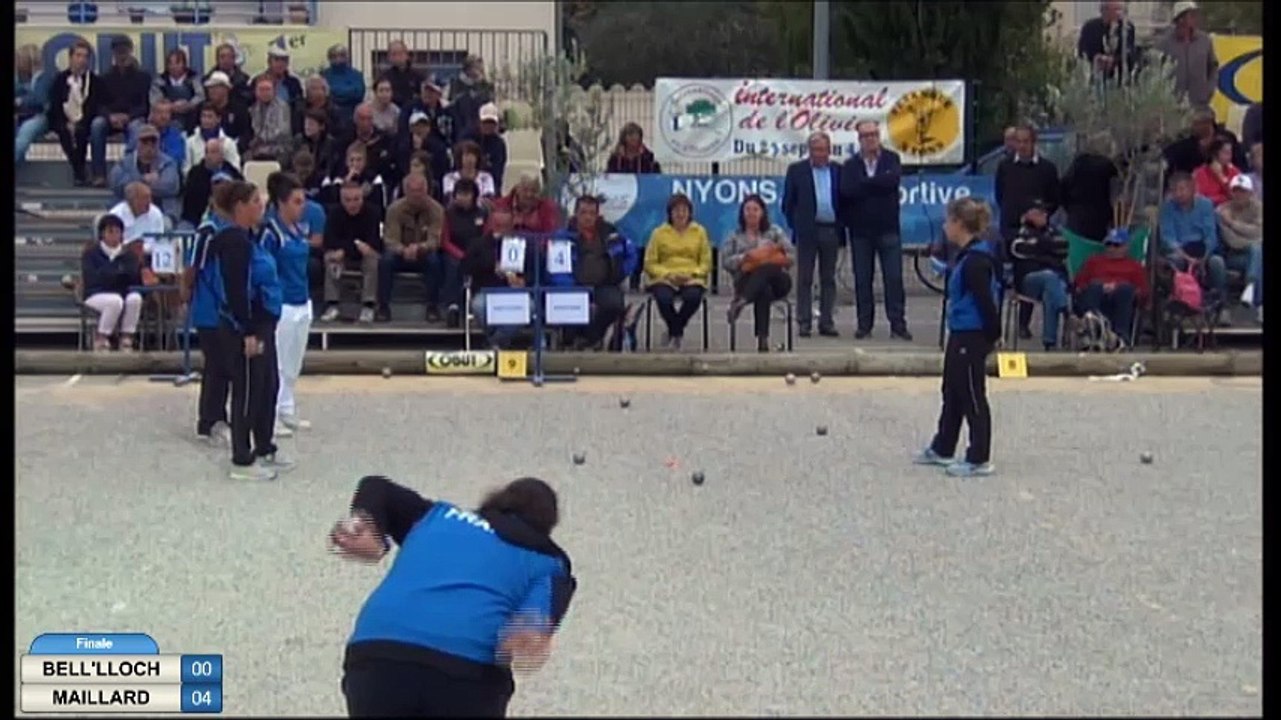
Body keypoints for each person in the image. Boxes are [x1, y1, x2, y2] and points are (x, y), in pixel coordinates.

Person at [331, 475, 576, 718]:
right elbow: (533, 624)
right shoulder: (549, 561)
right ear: (546, 527)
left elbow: (376, 486)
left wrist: (367, 525)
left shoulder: (438, 517)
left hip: (377, 658)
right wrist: (528, 638)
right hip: (464, 673)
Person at [194, 180, 290, 481]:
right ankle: (241, 458)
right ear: (240, 207)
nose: (261, 208)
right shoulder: (233, 241)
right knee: (247, 390)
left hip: (265, 322)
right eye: (255, 203)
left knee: (268, 385)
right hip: (245, 325)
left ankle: (264, 445)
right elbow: (235, 288)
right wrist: (247, 329)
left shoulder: (252, 238)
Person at [913, 197, 1002, 478]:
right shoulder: (965, 256)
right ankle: (943, 446)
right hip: (960, 330)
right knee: (951, 390)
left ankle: (979, 456)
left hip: (973, 334)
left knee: (972, 394)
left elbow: (986, 301)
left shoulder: (977, 260)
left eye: (948, 221)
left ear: (959, 224)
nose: (944, 226)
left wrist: (992, 335)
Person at [841, 119, 910, 340]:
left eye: (874, 134)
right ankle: (864, 324)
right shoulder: (850, 165)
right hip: (861, 231)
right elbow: (847, 190)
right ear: (859, 139)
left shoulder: (892, 159)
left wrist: (866, 184)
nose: (870, 139)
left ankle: (898, 323)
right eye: (866, 136)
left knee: (894, 278)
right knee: (862, 279)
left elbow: (891, 182)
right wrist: (875, 184)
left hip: (888, 228)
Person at [260, 172, 314, 437]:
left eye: (302, 201)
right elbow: (262, 267)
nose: (301, 206)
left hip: (302, 299)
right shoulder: (271, 232)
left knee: (294, 362)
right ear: (281, 203)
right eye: (296, 201)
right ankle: (269, 417)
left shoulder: (300, 228)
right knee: (278, 363)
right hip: (281, 304)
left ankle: (287, 407)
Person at [547, 195, 636, 351]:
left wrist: (621, 272)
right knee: (572, 307)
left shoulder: (611, 233)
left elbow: (631, 253)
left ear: (597, 215)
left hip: (604, 285)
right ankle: (573, 341)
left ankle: (593, 338)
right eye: (583, 212)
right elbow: (556, 269)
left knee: (614, 305)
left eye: (591, 213)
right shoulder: (563, 236)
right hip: (574, 286)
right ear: (575, 214)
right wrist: (572, 289)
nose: (588, 217)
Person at [782, 131, 842, 338]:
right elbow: (787, 204)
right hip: (808, 231)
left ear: (830, 150)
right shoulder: (797, 170)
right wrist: (797, 226)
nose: (820, 154)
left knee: (828, 278)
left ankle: (827, 321)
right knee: (805, 278)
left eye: (824, 149)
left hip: (831, 230)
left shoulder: (838, 170)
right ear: (809, 151)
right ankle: (804, 322)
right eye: (816, 150)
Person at [722, 194, 795, 352]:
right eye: (747, 209)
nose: (751, 213)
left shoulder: (775, 232)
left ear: (762, 212)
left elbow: (791, 256)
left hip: (778, 280)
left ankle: (741, 302)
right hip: (746, 280)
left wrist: (768, 255)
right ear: (742, 213)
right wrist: (746, 257)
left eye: (755, 209)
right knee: (763, 290)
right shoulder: (735, 236)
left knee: (766, 266)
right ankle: (763, 339)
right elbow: (726, 261)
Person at [643, 194, 711, 349]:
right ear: (670, 213)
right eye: (676, 210)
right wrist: (668, 275)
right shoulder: (659, 233)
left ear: (690, 212)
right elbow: (650, 263)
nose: (680, 214)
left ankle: (674, 329)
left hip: (691, 277)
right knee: (663, 298)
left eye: (684, 210)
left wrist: (693, 274)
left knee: (693, 297)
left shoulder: (699, 232)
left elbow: (706, 262)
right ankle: (677, 332)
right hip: (665, 277)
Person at [379, 173, 450, 323]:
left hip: (424, 253)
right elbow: (390, 239)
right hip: (400, 254)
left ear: (427, 191)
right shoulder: (394, 209)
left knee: (435, 261)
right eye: (413, 191)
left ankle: (432, 307)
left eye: (420, 191)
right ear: (405, 192)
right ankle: (383, 307)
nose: (417, 195)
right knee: (385, 261)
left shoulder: (437, 210)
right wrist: (403, 250)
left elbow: (436, 239)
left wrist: (419, 247)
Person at [1008, 202, 1069, 350]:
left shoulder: (1055, 231)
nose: (1043, 216)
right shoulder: (1020, 232)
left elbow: (1063, 248)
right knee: (1050, 277)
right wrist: (1048, 253)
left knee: (1051, 291)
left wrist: (1038, 249)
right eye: (1038, 213)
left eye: (1044, 213)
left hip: (1053, 280)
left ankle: (1049, 342)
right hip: (1028, 280)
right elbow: (1019, 250)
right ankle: (1067, 311)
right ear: (1027, 215)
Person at [321, 181, 383, 323]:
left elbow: (374, 241)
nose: (352, 204)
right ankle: (332, 304)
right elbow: (329, 240)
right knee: (330, 258)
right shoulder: (334, 213)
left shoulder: (373, 213)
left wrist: (348, 247)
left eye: (356, 199)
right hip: (343, 255)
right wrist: (351, 246)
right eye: (348, 200)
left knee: (372, 260)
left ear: (362, 198)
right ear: (341, 200)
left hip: (365, 255)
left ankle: (369, 305)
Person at [1073, 228, 1149, 343]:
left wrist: (1117, 287)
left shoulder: (1135, 266)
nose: (1111, 249)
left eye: (1116, 245)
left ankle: (1120, 337)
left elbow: (1143, 291)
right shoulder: (1093, 261)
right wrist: (1100, 286)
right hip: (1096, 295)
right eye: (1108, 244)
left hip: (1122, 297)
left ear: (1126, 247)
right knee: (1095, 287)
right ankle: (1092, 330)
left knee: (1125, 290)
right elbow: (1079, 283)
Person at [81, 214, 144, 352]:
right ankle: (101, 337)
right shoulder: (91, 254)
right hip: (96, 293)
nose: (114, 235)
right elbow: (93, 277)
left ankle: (127, 337)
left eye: (117, 232)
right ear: (102, 234)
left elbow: (133, 276)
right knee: (114, 301)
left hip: (122, 292)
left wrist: (114, 275)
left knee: (135, 298)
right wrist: (115, 273)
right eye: (110, 231)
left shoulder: (128, 255)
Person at [1160, 172, 1227, 300]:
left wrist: (1204, 257)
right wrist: (1186, 257)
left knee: (1217, 262)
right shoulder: (1168, 208)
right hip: (1180, 251)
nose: (1178, 194)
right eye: (1174, 190)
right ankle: (1177, 298)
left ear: (1192, 188)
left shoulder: (1206, 205)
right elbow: (1168, 238)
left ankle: (1220, 301)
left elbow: (1211, 235)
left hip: (1202, 250)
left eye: (1182, 189)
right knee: (1174, 262)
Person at [48, 39, 101, 187]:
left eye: (85, 56)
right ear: (71, 57)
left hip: (85, 120)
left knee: (81, 132)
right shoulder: (60, 79)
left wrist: (80, 122)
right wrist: (67, 122)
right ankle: (79, 171)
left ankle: (80, 173)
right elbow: (55, 105)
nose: (81, 60)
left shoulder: (94, 81)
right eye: (78, 55)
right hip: (63, 120)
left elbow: (94, 105)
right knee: (64, 132)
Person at [108, 123, 182, 221]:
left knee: (166, 225)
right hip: (128, 212)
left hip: (162, 212)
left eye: (153, 142)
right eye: (144, 142)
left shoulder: (168, 163)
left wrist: (135, 189)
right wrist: (143, 179)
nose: (149, 146)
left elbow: (171, 187)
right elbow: (117, 185)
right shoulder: (124, 163)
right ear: (137, 143)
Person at [1155, 0, 1218, 110]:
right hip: (1172, 106)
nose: (1196, 18)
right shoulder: (1164, 43)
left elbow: (1213, 67)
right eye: (1191, 15)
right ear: (1180, 19)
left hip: (1200, 104)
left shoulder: (1204, 41)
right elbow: (1156, 71)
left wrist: (1208, 90)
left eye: (1195, 15)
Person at [1216, 175, 1263, 311]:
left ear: (1251, 193)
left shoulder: (1259, 208)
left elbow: (1260, 232)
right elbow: (1231, 241)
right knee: (1257, 250)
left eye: (1243, 191)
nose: (1239, 195)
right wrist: (1251, 236)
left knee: (1258, 253)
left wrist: (1232, 223)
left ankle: (1251, 288)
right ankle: (1258, 303)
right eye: (1236, 191)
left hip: (1252, 255)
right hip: (1232, 256)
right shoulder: (1223, 211)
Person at [181, 140, 244, 230]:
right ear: (206, 155)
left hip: (229, 218)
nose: (216, 155)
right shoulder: (195, 173)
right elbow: (191, 199)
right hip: (195, 218)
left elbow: (241, 191)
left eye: (219, 152)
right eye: (213, 152)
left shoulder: (232, 171)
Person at [15, 44, 53, 168]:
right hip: (22, 116)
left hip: (40, 117)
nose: (17, 63)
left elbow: (40, 100)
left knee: (26, 131)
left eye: (20, 59)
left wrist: (20, 101)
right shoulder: (22, 80)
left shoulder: (44, 78)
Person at [149, 48, 204, 132]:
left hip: (190, 116)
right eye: (170, 63)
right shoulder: (159, 80)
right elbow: (154, 101)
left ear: (184, 64)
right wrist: (171, 106)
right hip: (167, 117)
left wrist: (189, 105)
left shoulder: (194, 78)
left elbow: (200, 96)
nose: (173, 66)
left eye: (177, 63)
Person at [247, 74, 293, 163]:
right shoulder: (252, 109)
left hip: (280, 148)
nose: (264, 93)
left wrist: (261, 142)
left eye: (268, 89)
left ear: (274, 91)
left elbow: (282, 132)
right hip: (258, 148)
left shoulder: (283, 107)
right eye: (261, 89)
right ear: (255, 91)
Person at [185, 103, 242, 173]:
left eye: (209, 117)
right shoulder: (190, 142)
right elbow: (186, 168)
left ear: (218, 119)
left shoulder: (228, 143)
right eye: (203, 116)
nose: (206, 120)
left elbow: (236, 167)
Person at [321, 44, 366, 118]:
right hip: (329, 115)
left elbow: (359, 94)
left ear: (347, 57)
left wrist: (335, 92)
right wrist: (349, 92)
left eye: (342, 56)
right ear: (329, 58)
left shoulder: (356, 74)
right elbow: (324, 96)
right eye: (334, 56)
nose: (338, 59)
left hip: (352, 114)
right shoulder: (324, 75)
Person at [1192, 138, 1241, 206]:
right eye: (1226, 153)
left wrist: (1221, 176)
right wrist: (1223, 198)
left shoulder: (1234, 171)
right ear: (1214, 154)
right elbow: (1199, 199)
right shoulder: (1200, 173)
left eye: (1230, 153)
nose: (1229, 156)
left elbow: (1236, 196)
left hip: (1231, 210)